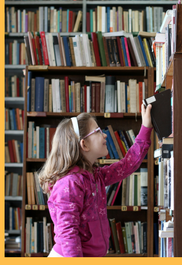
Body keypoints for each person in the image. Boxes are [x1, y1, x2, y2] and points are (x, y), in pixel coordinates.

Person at [37, 103, 153, 257]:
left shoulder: (95, 176)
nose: (105, 134)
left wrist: (145, 127)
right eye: (98, 131)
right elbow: (68, 235)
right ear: (84, 144)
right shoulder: (69, 184)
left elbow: (127, 165)